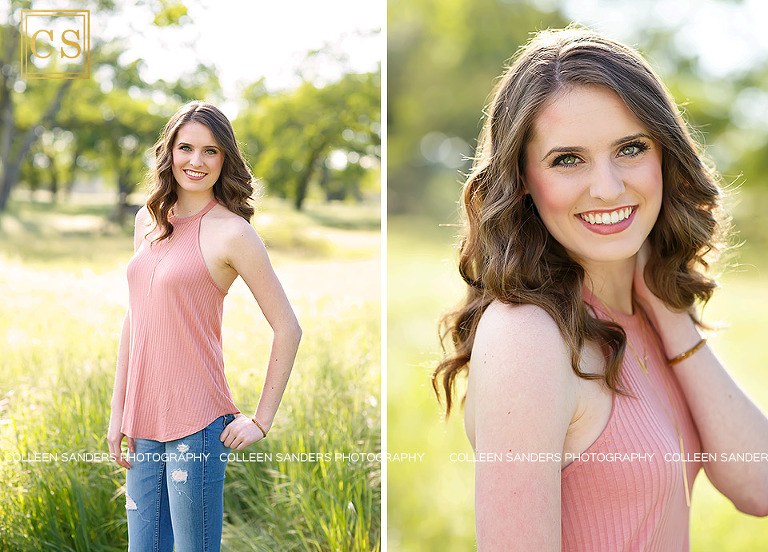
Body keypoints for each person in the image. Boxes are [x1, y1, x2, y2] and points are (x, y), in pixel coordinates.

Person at [433, 27, 768, 550]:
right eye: (568, 159)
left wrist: (669, 311)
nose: (608, 188)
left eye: (630, 148)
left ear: (665, 155)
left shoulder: (650, 313)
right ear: (522, 179)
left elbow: (758, 485)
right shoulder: (529, 336)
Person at [107, 101, 302, 551]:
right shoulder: (148, 222)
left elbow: (288, 328)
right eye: (186, 148)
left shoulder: (233, 233)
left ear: (225, 159)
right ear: (169, 152)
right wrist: (119, 413)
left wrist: (261, 419)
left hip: (197, 421)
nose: (196, 161)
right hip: (143, 418)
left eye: (210, 151)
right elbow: (135, 321)